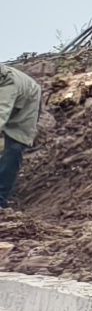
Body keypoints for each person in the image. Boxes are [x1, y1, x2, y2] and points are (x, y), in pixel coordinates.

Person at [0, 62, 39, 207]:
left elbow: (1, 114)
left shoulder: (8, 83)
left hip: (27, 102)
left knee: (14, 148)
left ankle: (0, 199)